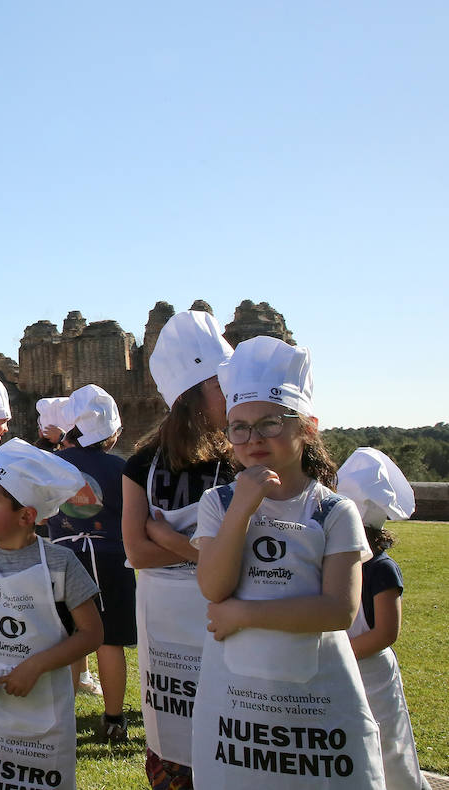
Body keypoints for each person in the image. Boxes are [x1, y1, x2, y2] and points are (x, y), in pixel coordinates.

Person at [191, 336, 383, 787]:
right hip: (237, 697)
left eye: (270, 424)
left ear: (307, 427)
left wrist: (243, 613)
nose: (253, 439)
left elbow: (339, 610)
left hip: (317, 698)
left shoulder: (334, 511)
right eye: (239, 427)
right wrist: (242, 507)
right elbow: (213, 587)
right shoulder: (217, 503)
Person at [121, 309, 234, 788]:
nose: (233, 394)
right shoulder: (141, 461)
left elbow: (242, 554)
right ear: (191, 395)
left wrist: (169, 538)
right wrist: (207, 553)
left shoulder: (238, 458)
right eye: (220, 384)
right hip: (166, 616)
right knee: (173, 723)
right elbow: (137, 553)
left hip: (221, 611)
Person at [0, 439, 104, 790]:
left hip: (46, 715)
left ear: (26, 516)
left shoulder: (60, 563)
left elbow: (91, 633)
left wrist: (35, 666)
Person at [337, 448, 429, 790]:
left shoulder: (381, 570)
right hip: (340, 669)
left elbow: (385, 633)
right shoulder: (331, 564)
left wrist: (338, 652)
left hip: (372, 673)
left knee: (387, 745)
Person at [46, 384, 134, 740]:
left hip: (63, 557)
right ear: (111, 434)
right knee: (110, 642)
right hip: (112, 557)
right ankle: (114, 719)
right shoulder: (122, 468)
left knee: (69, 638)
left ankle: (63, 717)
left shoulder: (52, 464)